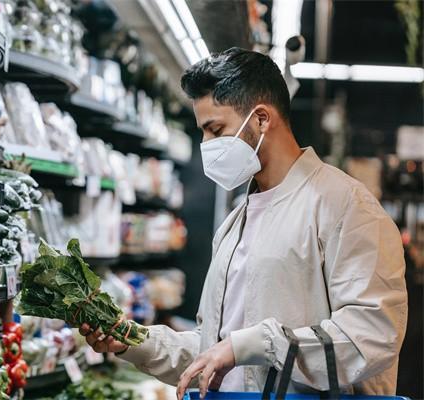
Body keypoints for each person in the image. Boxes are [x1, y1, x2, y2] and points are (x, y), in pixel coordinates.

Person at [80, 47, 408, 399]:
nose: (205, 145)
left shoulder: (345, 207)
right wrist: (133, 340)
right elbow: (214, 350)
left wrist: (254, 344)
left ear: (262, 119)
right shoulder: (236, 221)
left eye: (215, 129)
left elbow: (371, 336)